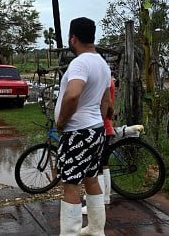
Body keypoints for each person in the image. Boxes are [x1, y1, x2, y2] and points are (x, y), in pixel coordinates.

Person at [54, 17, 112, 236]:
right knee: (91, 178)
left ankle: (69, 233)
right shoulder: (102, 63)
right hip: (96, 129)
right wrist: (98, 119)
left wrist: (62, 122)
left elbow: (72, 95)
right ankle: (96, 230)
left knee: (70, 184)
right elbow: (107, 102)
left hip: (78, 131)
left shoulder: (80, 62)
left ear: (73, 38)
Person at [82, 69, 116, 215]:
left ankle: (100, 200)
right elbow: (111, 107)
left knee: (97, 166)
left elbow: (105, 104)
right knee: (103, 163)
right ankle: (105, 197)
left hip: (100, 126)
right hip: (106, 125)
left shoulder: (103, 82)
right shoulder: (109, 80)